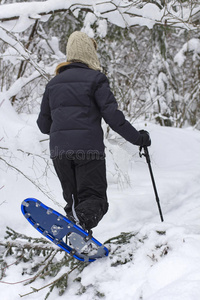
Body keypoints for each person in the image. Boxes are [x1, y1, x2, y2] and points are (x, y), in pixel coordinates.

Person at [37, 31, 151, 233]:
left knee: (75, 203)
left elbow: (43, 126)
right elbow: (114, 118)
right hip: (88, 151)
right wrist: (138, 138)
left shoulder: (53, 84)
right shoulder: (96, 79)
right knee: (95, 200)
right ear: (90, 53)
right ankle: (80, 225)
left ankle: (79, 236)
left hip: (59, 153)